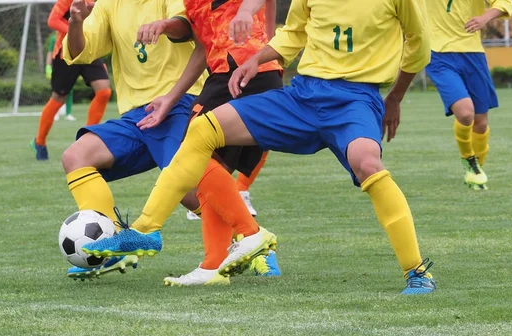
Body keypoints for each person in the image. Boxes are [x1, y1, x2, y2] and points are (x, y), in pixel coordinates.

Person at [84, 0, 436, 294]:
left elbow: (418, 46)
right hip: (303, 95)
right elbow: (294, 32)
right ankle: (146, 231)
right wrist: (256, 59)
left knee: (367, 163)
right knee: (203, 130)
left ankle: (417, 272)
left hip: (355, 100)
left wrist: (395, 98)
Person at [134, 0, 283, 286]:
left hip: (247, 73)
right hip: (228, 76)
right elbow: (204, 48)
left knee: (193, 159)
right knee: (207, 172)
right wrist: (170, 98)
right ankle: (214, 265)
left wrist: (247, 15)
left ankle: (249, 234)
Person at [60, 0, 207, 279]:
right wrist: (75, 22)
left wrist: (163, 25)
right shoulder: (108, 4)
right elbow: (80, 51)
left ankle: (249, 238)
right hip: (136, 117)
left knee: (186, 188)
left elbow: (187, 28)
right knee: (76, 157)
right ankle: (112, 246)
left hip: (177, 102)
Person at [425, 0, 512, 190]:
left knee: (481, 123)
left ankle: (475, 172)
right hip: (438, 53)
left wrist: (484, 18)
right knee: (465, 114)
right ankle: (469, 160)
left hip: (473, 53)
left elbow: (504, 2)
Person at [31, 0, 111, 161]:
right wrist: (75, 31)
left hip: (90, 48)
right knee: (59, 97)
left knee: (104, 91)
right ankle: (39, 142)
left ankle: (86, 141)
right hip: (66, 51)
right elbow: (52, 20)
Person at [45, 31, 76, 122]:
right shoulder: (54, 38)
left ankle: (68, 113)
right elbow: (50, 52)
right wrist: (48, 66)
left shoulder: (71, 36)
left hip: (69, 65)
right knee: (56, 90)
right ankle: (55, 113)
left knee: (70, 90)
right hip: (57, 66)